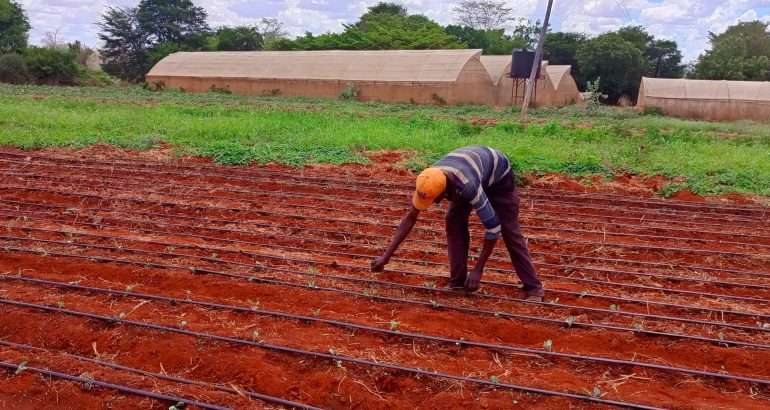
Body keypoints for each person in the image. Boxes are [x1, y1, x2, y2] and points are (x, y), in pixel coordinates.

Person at [371, 145, 544, 302]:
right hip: (469, 170)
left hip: (499, 178)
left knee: (508, 229)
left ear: (445, 191)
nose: (436, 203)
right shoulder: (430, 177)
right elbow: (410, 217)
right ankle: (458, 282)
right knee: (453, 220)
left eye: (436, 199)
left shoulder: (468, 186)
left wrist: (478, 270)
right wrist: (386, 257)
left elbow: (493, 228)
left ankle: (534, 288)